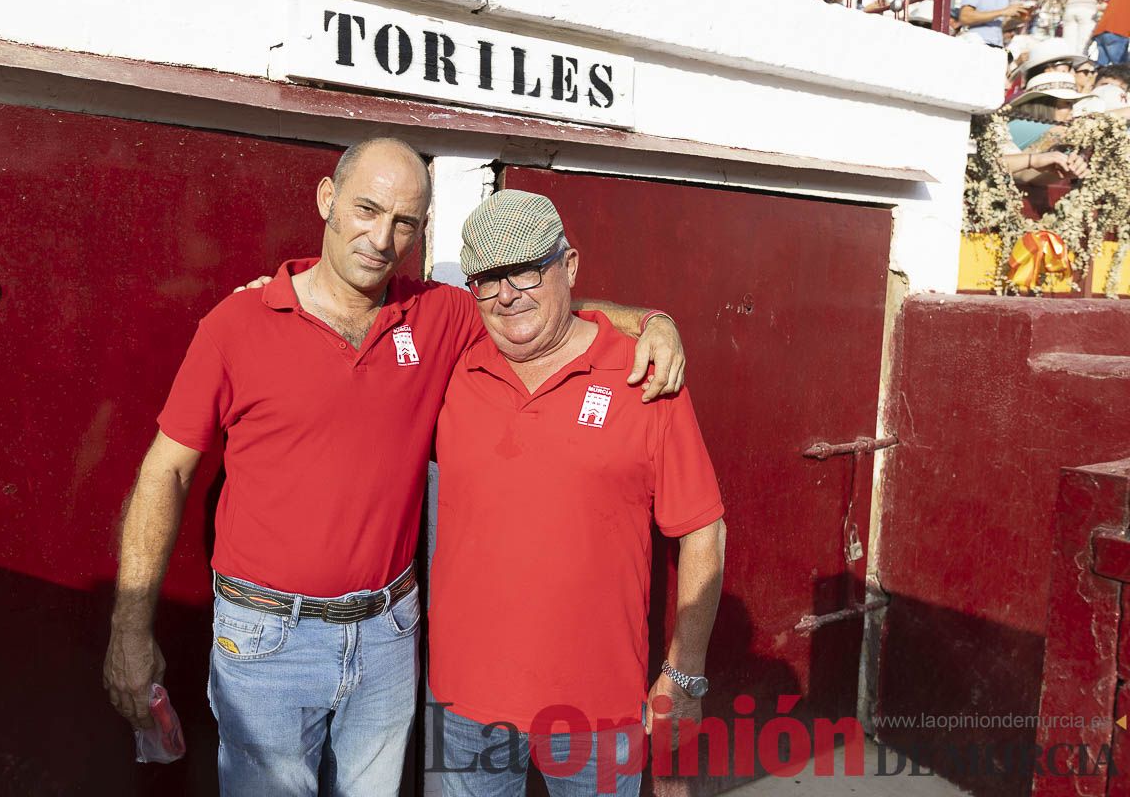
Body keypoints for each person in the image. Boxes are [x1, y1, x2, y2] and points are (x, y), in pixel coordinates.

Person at [102, 137, 687, 797]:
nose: (382, 238)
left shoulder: (434, 314)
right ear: (328, 199)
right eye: (367, 209)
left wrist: (656, 322)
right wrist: (129, 628)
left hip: (387, 636)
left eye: (404, 222)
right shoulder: (237, 323)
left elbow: (550, 311)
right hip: (267, 641)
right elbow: (165, 472)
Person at [429, 191, 727, 797]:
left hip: (599, 710)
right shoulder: (454, 362)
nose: (506, 294)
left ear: (569, 267)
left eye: (526, 270)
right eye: (487, 278)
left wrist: (683, 672)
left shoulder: (643, 375)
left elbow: (703, 529)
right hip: (463, 701)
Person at [1006, 71, 1089, 148]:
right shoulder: (1058, 132)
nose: (1072, 112)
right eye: (1067, 103)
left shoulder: (1011, 125)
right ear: (1047, 103)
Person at [959, 0, 1032, 46]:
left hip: (998, 45)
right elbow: (965, 17)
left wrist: (1016, 19)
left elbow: (997, 23)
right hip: (978, 44)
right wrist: (1002, 12)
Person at [1094, 0, 1130, 64]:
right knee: (1121, 67)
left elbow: (1101, 6)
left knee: (1102, 66)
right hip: (1118, 32)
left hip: (1101, 32)